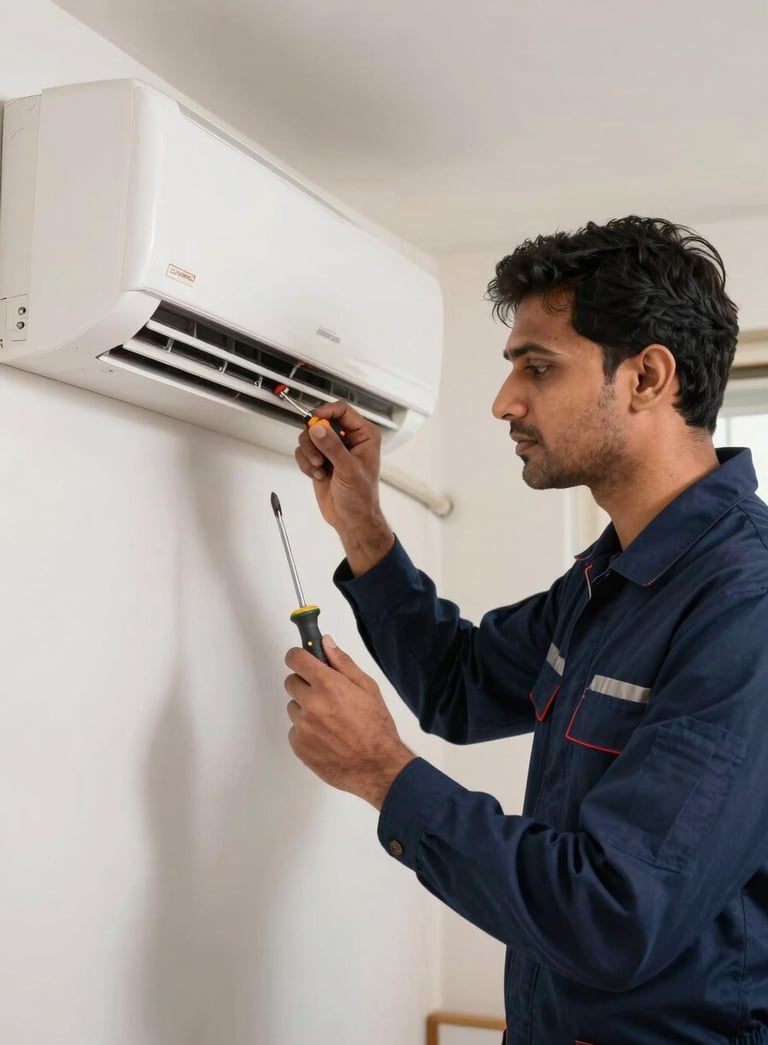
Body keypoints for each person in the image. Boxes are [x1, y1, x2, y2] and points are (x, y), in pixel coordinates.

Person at [283, 216, 768, 1045]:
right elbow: (461, 685)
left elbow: (614, 915)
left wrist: (382, 770)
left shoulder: (744, 606)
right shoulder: (610, 578)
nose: (505, 401)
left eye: (537, 368)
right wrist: (363, 527)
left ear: (648, 377)